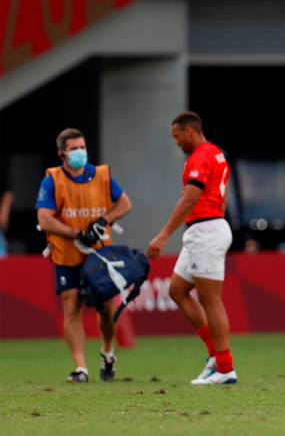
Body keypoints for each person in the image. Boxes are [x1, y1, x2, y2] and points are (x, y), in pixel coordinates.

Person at [35, 128, 133, 383]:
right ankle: (81, 368)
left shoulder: (101, 175)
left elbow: (125, 203)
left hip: (99, 254)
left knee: (106, 307)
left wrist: (104, 220)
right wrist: (76, 233)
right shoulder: (52, 180)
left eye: (82, 147)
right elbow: (44, 219)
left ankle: (107, 351)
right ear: (62, 153)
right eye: (74, 148)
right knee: (71, 306)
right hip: (66, 254)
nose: (80, 152)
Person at [146, 112, 237, 385]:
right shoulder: (217, 154)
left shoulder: (200, 157)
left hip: (206, 231)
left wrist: (163, 235)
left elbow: (190, 199)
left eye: (176, 136)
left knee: (211, 300)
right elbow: (222, 196)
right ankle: (214, 357)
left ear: (190, 131)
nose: (175, 142)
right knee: (177, 290)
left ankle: (225, 368)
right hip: (206, 228)